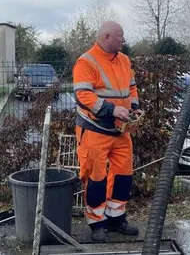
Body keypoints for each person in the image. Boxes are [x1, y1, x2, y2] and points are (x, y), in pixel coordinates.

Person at [72, 21, 141, 242]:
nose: (124, 40)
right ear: (107, 36)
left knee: (123, 175)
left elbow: (131, 87)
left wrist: (135, 109)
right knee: (96, 177)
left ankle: (116, 218)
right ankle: (96, 223)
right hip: (95, 130)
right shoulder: (86, 61)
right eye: (121, 36)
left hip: (121, 130)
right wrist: (112, 110)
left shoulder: (124, 60)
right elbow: (84, 96)